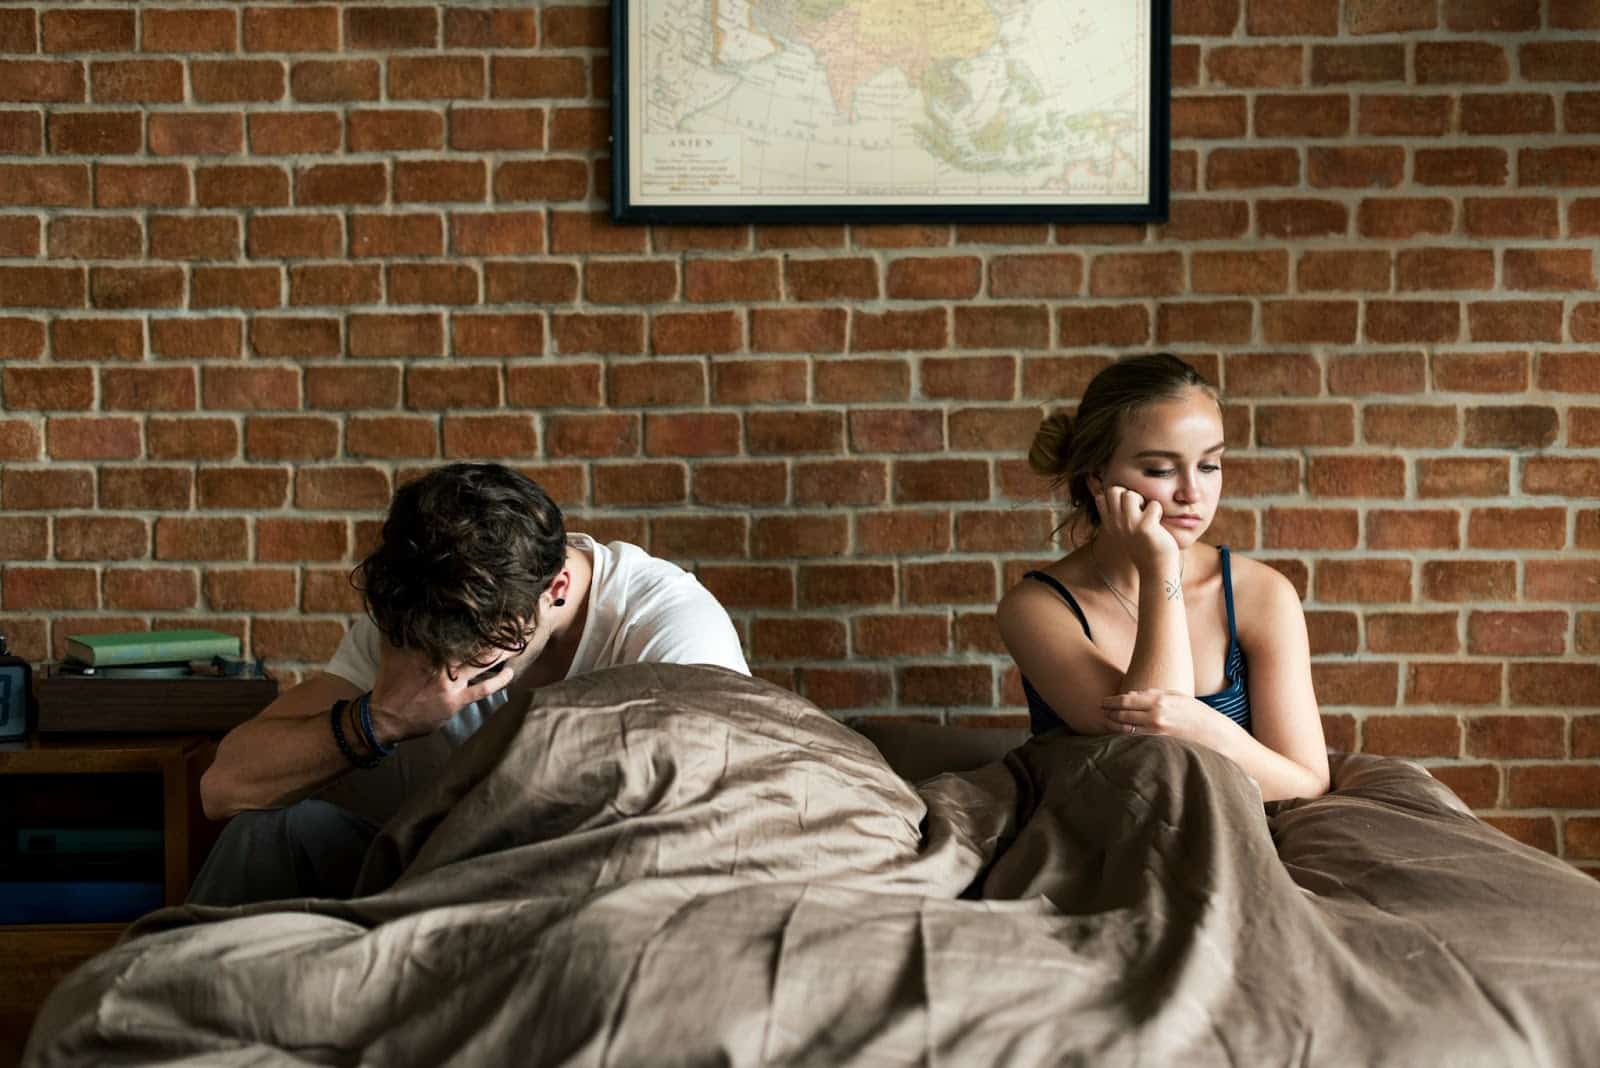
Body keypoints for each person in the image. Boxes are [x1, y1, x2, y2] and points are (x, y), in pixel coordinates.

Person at [190, 462, 749, 905]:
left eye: (475, 649)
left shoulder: (669, 630)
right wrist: (378, 720)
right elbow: (224, 787)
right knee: (272, 834)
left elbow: (707, 837)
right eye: (432, 650)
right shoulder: (428, 613)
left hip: (576, 893)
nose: (447, 669)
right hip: (432, 881)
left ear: (556, 588)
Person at [996, 354, 1330, 802]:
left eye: (1209, 465)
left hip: (1241, 835)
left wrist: (1206, 728)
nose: (1192, 493)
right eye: (1160, 469)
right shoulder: (1036, 608)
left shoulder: (1261, 595)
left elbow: (1308, 783)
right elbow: (1152, 758)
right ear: (1098, 479)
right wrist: (1159, 568)